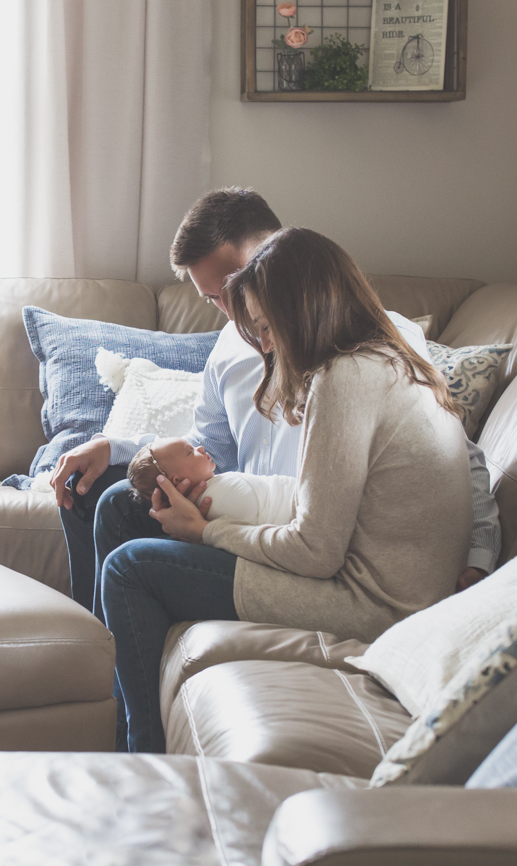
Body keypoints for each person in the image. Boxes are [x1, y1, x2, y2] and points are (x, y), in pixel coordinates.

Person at [99, 228, 474, 752]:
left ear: (306, 310)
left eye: (268, 327)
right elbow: (319, 507)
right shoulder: (384, 359)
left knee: (129, 569)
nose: (267, 344)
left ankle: (141, 754)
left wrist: (206, 532)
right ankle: (111, 708)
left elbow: (315, 551)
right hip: (374, 579)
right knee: (121, 506)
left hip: (371, 604)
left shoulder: (346, 378)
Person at [52, 188, 499, 620]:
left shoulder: (368, 347)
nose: (232, 310)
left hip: (311, 538)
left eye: (233, 285)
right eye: (212, 298)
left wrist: (479, 554)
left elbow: (457, 452)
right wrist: (117, 447)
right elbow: (209, 446)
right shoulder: (229, 348)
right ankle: (104, 663)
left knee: (132, 561)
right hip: (248, 518)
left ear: (276, 255)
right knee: (106, 497)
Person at [126, 437, 295, 527]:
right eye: (190, 452)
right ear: (177, 480)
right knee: (116, 497)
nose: (200, 447)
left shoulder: (217, 489)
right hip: (287, 516)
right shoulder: (218, 499)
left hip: (299, 501)